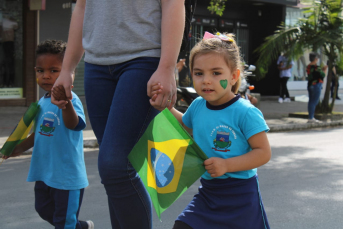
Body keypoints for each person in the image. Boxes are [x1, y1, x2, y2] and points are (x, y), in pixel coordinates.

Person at [50, 0, 185, 228]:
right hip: (97, 65)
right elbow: (82, 7)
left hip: (144, 59)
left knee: (114, 166)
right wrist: (67, 69)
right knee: (115, 172)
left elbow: (173, 3)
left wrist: (166, 67)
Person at [150, 31, 271, 229]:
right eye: (199, 73)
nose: (206, 80)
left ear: (233, 77)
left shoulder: (246, 112)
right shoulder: (198, 105)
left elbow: (263, 153)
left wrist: (226, 165)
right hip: (209, 193)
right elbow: (186, 126)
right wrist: (166, 108)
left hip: (240, 195)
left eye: (216, 73)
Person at [2, 40, 93, 229]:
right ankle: (80, 227)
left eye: (53, 70)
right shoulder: (42, 103)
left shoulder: (71, 99)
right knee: (43, 208)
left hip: (67, 177)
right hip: (44, 173)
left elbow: (74, 125)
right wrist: (17, 149)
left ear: (69, 72)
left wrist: (65, 104)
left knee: (63, 222)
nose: (45, 76)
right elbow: (40, 134)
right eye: (40, 70)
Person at [307, 52, 327, 123]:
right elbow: (322, 75)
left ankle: (310, 116)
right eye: (317, 58)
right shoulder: (316, 67)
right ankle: (311, 117)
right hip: (316, 85)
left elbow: (314, 74)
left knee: (311, 101)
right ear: (315, 59)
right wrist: (324, 70)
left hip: (310, 85)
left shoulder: (308, 66)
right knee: (314, 101)